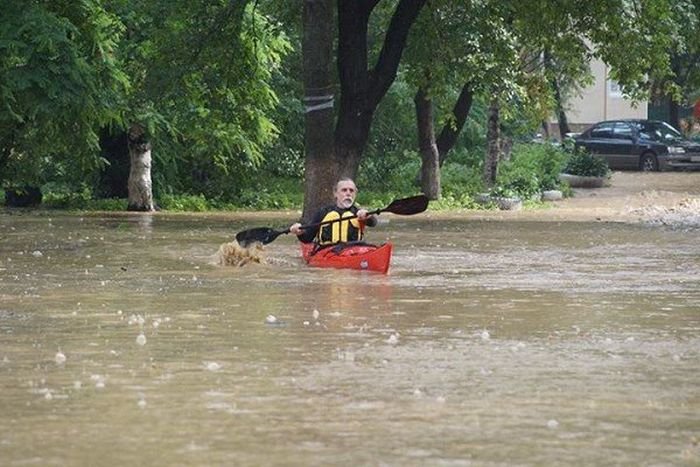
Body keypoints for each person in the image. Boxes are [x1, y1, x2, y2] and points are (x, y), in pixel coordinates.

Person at [290, 178, 377, 246]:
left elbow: (373, 223)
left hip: (353, 251)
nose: (348, 193)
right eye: (344, 190)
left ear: (355, 193)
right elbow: (307, 239)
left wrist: (368, 216)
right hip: (327, 252)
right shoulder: (323, 213)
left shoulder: (359, 213)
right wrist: (300, 232)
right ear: (335, 193)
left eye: (351, 190)